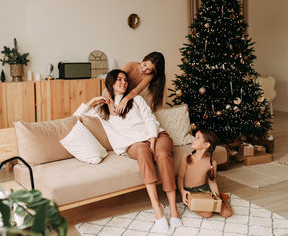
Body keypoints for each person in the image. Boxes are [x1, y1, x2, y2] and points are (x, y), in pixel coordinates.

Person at [74, 69, 182, 231]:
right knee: (142, 152)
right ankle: (156, 207)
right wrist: (94, 100)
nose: (123, 83)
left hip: (157, 136)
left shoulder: (136, 99)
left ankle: (173, 208)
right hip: (134, 145)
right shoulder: (101, 110)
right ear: (110, 83)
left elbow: (149, 118)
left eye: (125, 80)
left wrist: (152, 139)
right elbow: (76, 117)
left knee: (163, 155)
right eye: (119, 80)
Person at [177, 129, 233, 218]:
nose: (193, 139)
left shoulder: (212, 163)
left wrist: (217, 198)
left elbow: (212, 182)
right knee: (207, 214)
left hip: (204, 190)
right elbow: (180, 177)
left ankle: (223, 198)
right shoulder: (187, 157)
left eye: (198, 138)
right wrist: (182, 191)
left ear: (206, 145)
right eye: (195, 137)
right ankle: (197, 203)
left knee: (227, 213)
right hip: (190, 192)